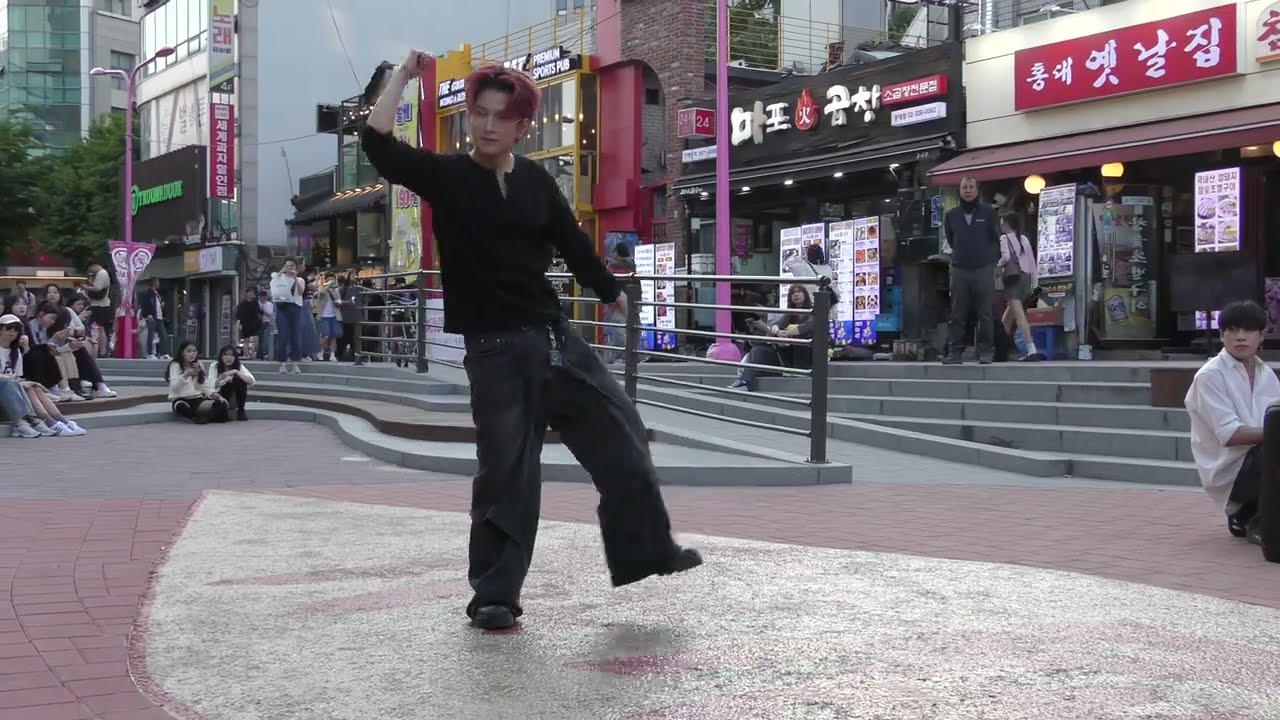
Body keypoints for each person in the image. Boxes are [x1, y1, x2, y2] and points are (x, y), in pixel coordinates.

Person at [362, 52, 702, 631]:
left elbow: (571, 242)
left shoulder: (536, 181)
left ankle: (647, 551)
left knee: (623, 436)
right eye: (479, 114)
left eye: (501, 117)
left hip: (554, 340)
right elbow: (377, 144)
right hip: (494, 353)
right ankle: (495, 595)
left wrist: (608, 291)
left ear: (524, 126)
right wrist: (401, 78)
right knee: (507, 475)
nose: (488, 126)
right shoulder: (446, 176)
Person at [1184, 300, 1279, 547]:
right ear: (1222, 335)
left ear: (1262, 335)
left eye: (1248, 331)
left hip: (1260, 457)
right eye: (1232, 330)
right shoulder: (1210, 376)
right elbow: (1230, 435)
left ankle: (1252, 514)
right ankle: (1256, 519)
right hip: (1230, 470)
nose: (1240, 337)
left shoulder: (1266, 374)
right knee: (1273, 447)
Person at [942, 177, 1001, 365]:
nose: (967, 190)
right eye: (964, 187)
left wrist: (988, 259)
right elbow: (951, 240)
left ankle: (985, 352)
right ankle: (955, 352)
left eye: (971, 187)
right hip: (960, 269)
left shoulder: (988, 212)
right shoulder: (951, 215)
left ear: (977, 190)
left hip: (983, 268)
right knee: (957, 313)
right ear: (959, 191)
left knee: (985, 312)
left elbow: (995, 238)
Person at [996, 214, 1043, 362]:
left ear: (1007, 224)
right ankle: (999, 349)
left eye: (1002, 222)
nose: (1001, 225)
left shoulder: (1004, 238)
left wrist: (997, 265)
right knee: (1007, 316)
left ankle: (1031, 348)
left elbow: (1005, 257)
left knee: (1019, 315)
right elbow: (1032, 262)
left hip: (1012, 279)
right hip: (1024, 279)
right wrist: (1034, 283)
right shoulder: (1024, 239)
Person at [165, 340, 229, 424]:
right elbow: (175, 389)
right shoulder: (175, 365)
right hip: (181, 399)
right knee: (181, 407)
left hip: (198, 399)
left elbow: (203, 385)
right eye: (188, 351)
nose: (192, 354)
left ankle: (206, 418)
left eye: (194, 351)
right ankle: (197, 417)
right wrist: (185, 375)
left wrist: (216, 395)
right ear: (182, 352)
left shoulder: (199, 364)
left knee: (222, 404)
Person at [269, 258, 306, 374]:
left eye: (292, 265)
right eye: (288, 265)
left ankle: (295, 363)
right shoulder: (279, 277)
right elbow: (273, 283)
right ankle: (283, 363)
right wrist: (282, 271)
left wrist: (295, 278)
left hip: (296, 307)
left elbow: (301, 292)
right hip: (282, 307)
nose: (290, 268)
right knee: (282, 336)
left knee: (296, 336)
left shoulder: (300, 279)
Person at [210, 344, 255, 421]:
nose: (229, 358)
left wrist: (236, 372)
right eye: (226, 355)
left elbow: (251, 381)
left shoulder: (239, 366)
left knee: (240, 380)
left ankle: (241, 411)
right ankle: (224, 411)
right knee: (228, 383)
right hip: (219, 396)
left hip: (234, 397)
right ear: (221, 356)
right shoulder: (214, 366)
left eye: (232, 355)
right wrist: (223, 377)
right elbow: (210, 384)